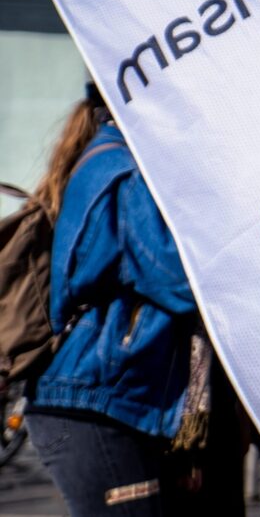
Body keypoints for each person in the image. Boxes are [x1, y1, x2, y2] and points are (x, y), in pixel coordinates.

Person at [24, 84, 243, 516]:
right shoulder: (126, 170)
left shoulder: (118, 159)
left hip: (109, 400)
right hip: (95, 402)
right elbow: (177, 279)